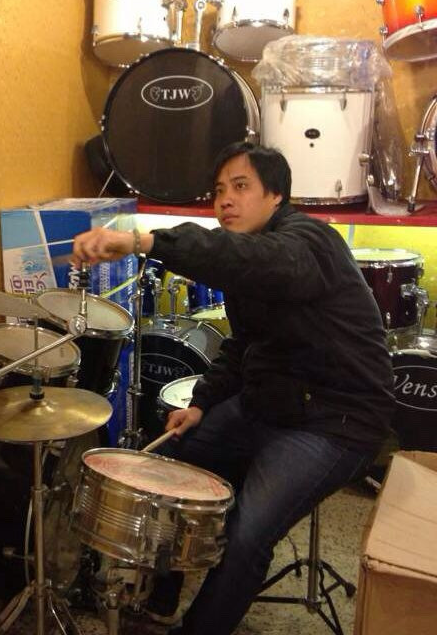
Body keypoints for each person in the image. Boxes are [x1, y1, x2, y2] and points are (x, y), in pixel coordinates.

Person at [72, 142, 395, 634]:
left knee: (247, 535)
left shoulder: (310, 242)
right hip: (269, 404)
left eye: (240, 187)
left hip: (336, 420)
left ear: (276, 195)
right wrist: (202, 403)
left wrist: (143, 241)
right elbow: (245, 344)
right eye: (219, 190)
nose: (225, 200)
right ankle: (160, 597)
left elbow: (257, 261)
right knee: (172, 461)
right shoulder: (248, 256)